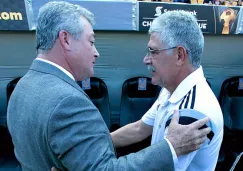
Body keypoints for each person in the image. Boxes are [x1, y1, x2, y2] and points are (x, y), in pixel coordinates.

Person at [7, 2, 211, 171]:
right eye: (91, 41)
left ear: (180, 55)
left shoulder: (23, 87)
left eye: (153, 52)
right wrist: (171, 147)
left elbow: (140, 128)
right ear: (66, 39)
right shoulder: (67, 102)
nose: (96, 53)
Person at [111, 11, 223, 171]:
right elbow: (140, 129)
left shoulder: (191, 111)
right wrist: (96, 144)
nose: (146, 59)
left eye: (154, 52)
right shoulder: (171, 89)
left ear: (179, 55)